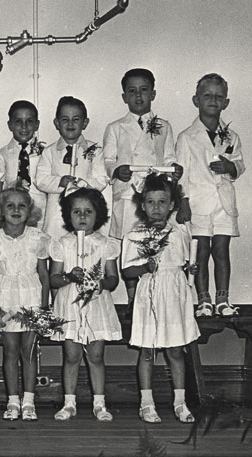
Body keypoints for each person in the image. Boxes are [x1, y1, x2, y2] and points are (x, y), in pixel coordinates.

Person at [120, 174, 199, 423]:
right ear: (142, 205)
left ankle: (180, 401)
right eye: (151, 202)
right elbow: (127, 271)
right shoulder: (134, 236)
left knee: (176, 350)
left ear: (172, 205)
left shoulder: (180, 233)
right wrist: (145, 267)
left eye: (162, 202)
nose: (156, 207)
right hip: (149, 295)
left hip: (174, 296)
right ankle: (146, 402)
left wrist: (190, 270)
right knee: (147, 351)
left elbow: (184, 264)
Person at [103, 68, 181, 309]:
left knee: (154, 241)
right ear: (124, 96)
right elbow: (107, 161)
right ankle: (132, 297)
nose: (138, 96)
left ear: (153, 94)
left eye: (144, 90)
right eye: (132, 91)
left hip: (154, 194)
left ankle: (156, 294)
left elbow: (168, 157)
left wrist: (174, 169)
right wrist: (118, 170)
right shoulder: (115, 127)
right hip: (128, 194)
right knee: (131, 244)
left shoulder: (164, 126)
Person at [49, 188, 121, 422]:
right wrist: (70, 276)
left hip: (96, 304)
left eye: (88, 211)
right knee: (71, 356)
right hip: (70, 304)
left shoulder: (105, 244)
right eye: (76, 211)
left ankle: (99, 403)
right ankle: (69, 403)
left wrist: (98, 283)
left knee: (96, 355)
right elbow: (54, 278)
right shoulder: (62, 244)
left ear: (97, 215)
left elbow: (113, 279)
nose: (82, 216)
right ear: (68, 215)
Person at [176, 73, 245, 317]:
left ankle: (223, 299)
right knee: (200, 252)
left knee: (222, 250)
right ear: (196, 100)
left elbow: (239, 164)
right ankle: (203, 300)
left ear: (226, 102)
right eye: (207, 96)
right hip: (198, 203)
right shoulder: (186, 137)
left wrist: (230, 167)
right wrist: (183, 202)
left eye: (219, 97)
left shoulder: (231, 136)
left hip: (223, 204)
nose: (213, 100)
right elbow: (180, 174)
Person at [0, 187, 50, 421]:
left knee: (30, 351)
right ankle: (13, 401)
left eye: (21, 206)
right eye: (10, 206)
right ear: (1, 211)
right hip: (6, 298)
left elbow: (44, 276)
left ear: (29, 211)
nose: (15, 210)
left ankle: (29, 401)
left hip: (31, 297)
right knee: (10, 351)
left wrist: (43, 308)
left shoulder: (37, 237)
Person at [34, 96, 109, 239]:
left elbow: (101, 179)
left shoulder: (95, 150)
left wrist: (82, 185)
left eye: (76, 119)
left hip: (84, 212)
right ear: (56, 123)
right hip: (57, 215)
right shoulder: (49, 152)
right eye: (64, 119)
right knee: (58, 248)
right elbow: (40, 179)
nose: (70, 124)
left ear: (85, 123)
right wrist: (59, 182)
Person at [0, 100, 47, 227]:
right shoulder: (2, 153)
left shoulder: (45, 153)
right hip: (12, 215)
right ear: (10, 125)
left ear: (37, 125)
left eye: (29, 121)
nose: (24, 126)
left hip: (40, 215)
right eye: (18, 121)